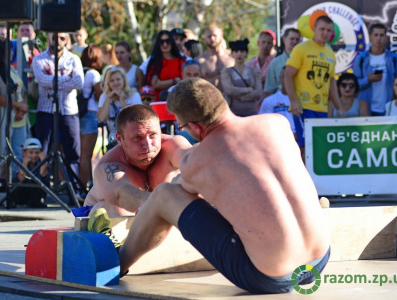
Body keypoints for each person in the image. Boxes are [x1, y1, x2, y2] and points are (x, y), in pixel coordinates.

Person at [88, 78, 331, 293]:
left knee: (164, 195)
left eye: (181, 127)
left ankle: (118, 264)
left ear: (194, 127)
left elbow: (179, 202)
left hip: (270, 276)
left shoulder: (198, 162)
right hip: (321, 258)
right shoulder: (277, 123)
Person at [84, 104, 191, 216]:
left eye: (153, 135)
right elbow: (123, 194)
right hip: (94, 221)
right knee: (115, 209)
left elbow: (192, 160)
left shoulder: (173, 145)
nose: (148, 145)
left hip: (153, 218)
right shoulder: (109, 165)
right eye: (138, 138)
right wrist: (166, 203)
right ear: (120, 139)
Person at [284, 16, 344, 155]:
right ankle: (300, 177)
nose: (325, 33)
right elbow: (288, 75)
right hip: (303, 107)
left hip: (322, 109)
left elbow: (331, 82)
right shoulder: (301, 48)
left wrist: (339, 107)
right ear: (314, 29)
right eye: (322, 29)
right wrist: (293, 101)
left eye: (329, 30)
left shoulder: (330, 54)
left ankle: (314, 177)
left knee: (319, 148)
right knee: (305, 147)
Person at [32, 32, 84, 176]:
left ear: (67, 39)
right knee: (43, 151)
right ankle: (42, 186)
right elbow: (42, 80)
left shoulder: (73, 59)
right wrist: (67, 78)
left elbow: (79, 83)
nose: (58, 41)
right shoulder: (39, 59)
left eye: (62, 38)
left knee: (72, 152)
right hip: (46, 110)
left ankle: (74, 190)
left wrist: (53, 81)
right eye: (54, 37)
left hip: (69, 111)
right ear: (48, 38)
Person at [0, 39, 29, 193]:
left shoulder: (11, 69)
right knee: (1, 155)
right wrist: (18, 106)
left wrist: (22, 108)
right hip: (3, 121)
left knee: (18, 156)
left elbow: (22, 90)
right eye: (7, 50)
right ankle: (1, 189)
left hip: (19, 121)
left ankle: (16, 190)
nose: (10, 53)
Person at [353, 23, 397, 116]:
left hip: (388, 108)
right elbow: (354, 85)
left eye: (381, 35)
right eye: (376, 35)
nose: (378, 38)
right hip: (367, 109)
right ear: (370, 37)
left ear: (386, 37)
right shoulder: (361, 59)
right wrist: (368, 80)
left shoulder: (394, 58)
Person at [97, 66, 142, 148]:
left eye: (118, 79)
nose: (115, 83)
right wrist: (107, 99)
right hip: (113, 140)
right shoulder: (104, 96)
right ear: (108, 83)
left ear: (124, 80)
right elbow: (101, 118)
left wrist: (122, 102)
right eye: (111, 81)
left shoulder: (134, 95)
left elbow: (136, 119)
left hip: (132, 137)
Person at [79, 44, 104, 189]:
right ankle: (87, 186)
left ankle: (82, 185)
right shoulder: (94, 74)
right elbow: (100, 95)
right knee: (86, 155)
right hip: (90, 114)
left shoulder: (78, 71)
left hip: (78, 114)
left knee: (81, 154)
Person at [221, 39, 262, 116]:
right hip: (233, 112)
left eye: (242, 51)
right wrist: (247, 90)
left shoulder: (254, 72)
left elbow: (258, 93)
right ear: (232, 54)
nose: (239, 54)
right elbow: (229, 90)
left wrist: (240, 96)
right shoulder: (226, 72)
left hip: (251, 112)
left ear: (246, 54)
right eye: (236, 51)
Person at [145, 30, 185, 101]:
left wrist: (163, 83)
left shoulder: (181, 61)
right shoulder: (155, 61)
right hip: (159, 101)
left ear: (172, 42)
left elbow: (184, 82)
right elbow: (155, 84)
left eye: (167, 41)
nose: (165, 44)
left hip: (178, 101)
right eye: (162, 42)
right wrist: (174, 81)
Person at [263, 28, 301, 98]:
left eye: (297, 39)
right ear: (284, 40)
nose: (294, 42)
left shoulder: (304, 62)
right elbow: (269, 90)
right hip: (280, 104)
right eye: (292, 39)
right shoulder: (275, 63)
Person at [11, 137, 49, 208]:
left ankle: (36, 201)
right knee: (16, 180)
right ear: (24, 153)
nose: (34, 156)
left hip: (36, 191)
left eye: (37, 152)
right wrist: (24, 164)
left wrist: (43, 161)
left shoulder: (41, 162)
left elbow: (43, 175)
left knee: (44, 181)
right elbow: (20, 178)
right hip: (22, 193)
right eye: (30, 153)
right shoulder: (19, 161)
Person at [197, 24, 234, 92]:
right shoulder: (200, 60)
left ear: (221, 36)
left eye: (214, 35)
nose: (212, 38)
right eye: (209, 36)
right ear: (205, 39)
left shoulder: (233, 57)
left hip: (230, 99)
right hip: (209, 98)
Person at [259, 67, 295, 135]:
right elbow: (263, 125)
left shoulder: (303, 101)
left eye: (289, 77)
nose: (287, 79)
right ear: (280, 78)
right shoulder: (269, 101)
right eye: (284, 76)